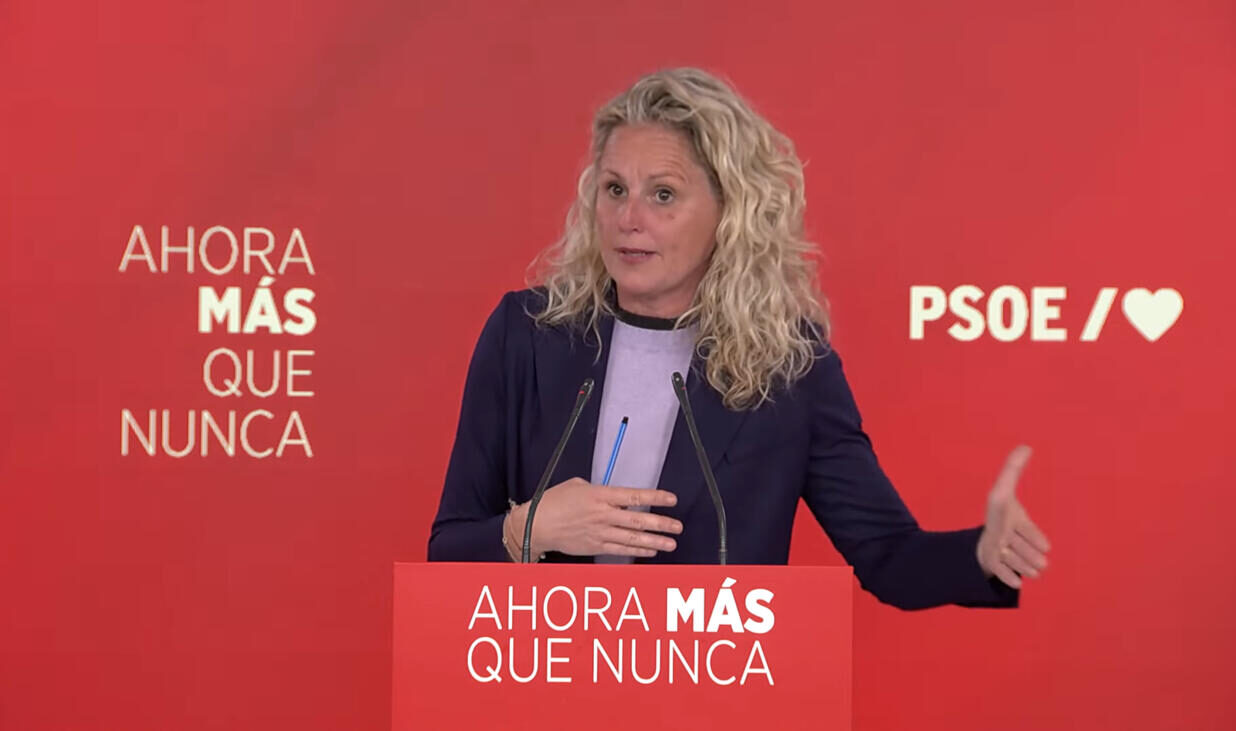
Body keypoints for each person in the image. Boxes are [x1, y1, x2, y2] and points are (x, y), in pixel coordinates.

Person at [427, 68, 1050, 610]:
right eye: (615, 190)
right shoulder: (527, 335)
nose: (628, 219)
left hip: (712, 691)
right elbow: (448, 549)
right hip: (542, 683)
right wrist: (528, 529)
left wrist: (983, 555)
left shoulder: (789, 366)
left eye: (663, 195)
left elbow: (890, 556)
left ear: (731, 211)